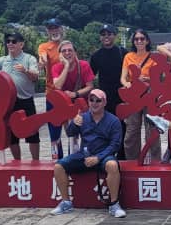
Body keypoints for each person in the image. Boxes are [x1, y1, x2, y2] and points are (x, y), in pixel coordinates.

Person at [50, 88, 126, 218]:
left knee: (113, 165)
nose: (94, 103)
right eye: (91, 100)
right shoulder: (83, 117)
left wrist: (98, 157)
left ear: (104, 103)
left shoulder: (113, 121)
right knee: (58, 166)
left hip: (104, 155)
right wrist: (73, 123)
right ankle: (66, 203)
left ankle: (114, 204)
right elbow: (70, 133)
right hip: (84, 154)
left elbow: (115, 145)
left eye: (98, 100)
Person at [0, 31, 41, 160]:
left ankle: (36, 161)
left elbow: (36, 77)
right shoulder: (2, 61)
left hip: (26, 100)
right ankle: (17, 162)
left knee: (32, 132)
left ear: (21, 44)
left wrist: (25, 71)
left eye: (14, 41)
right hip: (8, 103)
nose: (10, 44)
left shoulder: (29, 59)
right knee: (11, 135)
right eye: (8, 41)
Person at [120, 28, 162, 163]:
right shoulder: (128, 57)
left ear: (147, 41)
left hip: (150, 94)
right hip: (134, 94)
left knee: (152, 129)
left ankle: (155, 161)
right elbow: (123, 78)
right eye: (136, 39)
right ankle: (132, 161)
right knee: (132, 129)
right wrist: (130, 85)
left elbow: (159, 78)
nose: (139, 41)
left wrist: (148, 80)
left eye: (142, 39)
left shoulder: (153, 57)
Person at [50, 40, 94, 154]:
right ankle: (73, 156)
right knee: (71, 134)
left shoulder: (84, 65)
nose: (67, 53)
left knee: (86, 132)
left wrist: (76, 94)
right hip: (66, 105)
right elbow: (57, 85)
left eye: (70, 50)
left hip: (83, 103)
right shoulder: (56, 67)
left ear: (75, 52)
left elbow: (90, 86)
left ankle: (87, 155)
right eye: (64, 51)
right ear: (60, 54)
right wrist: (66, 66)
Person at [36, 18, 66, 159]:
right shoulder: (44, 46)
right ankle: (57, 159)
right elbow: (42, 58)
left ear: (61, 29)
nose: (54, 31)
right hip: (52, 93)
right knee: (54, 129)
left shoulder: (67, 46)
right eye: (50, 28)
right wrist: (42, 62)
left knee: (73, 128)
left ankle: (75, 158)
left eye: (56, 27)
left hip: (68, 94)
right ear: (48, 31)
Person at [89, 24, 127, 117]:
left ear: (114, 36)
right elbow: (89, 76)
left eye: (109, 34)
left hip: (121, 95)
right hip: (104, 96)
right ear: (100, 37)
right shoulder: (96, 56)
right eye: (103, 34)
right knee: (106, 124)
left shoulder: (123, 52)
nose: (106, 36)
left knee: (122, 124)